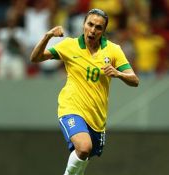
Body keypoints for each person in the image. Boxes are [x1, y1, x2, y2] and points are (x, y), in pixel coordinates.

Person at [30, 9, 139, 175]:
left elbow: (134, 80)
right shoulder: (70, 45)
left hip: (96, 117)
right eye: (90, 24)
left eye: (98, 27)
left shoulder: (113, 50)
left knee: (83, 156)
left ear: (103, 31)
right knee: (84, 147)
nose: (93, 30)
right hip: (71, 107)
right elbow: (36, 58)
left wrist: (118, 73)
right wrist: (48, 36)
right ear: (83, 25)